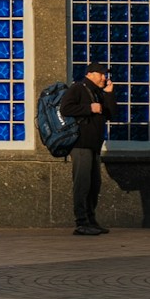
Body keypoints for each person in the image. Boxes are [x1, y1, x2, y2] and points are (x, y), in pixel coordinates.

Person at [59, 62, 117, 236]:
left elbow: (111, 113)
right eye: (101, 74)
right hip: (81, 145)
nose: (104, 77)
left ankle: (91, 220)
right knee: (82, 184)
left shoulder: (99, 92)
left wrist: (109, 94)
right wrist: (88, 108)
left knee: (94, 185)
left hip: (94, 146)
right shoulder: (78, 88)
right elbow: (65, 108)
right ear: (90, 74)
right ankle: (81, 223)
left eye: (105, 74)